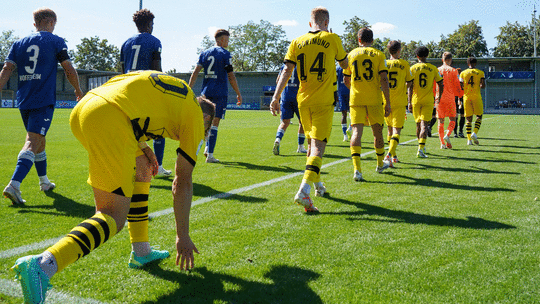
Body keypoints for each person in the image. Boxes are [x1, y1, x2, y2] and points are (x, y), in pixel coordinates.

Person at [11, 71, 215, 304]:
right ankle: (44, 265)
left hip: (86, 107)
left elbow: (130, 99)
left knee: (143, 168)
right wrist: (183, 236)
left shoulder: (177, 90)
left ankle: (141, 251)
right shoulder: (195, 119)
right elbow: (183, 182)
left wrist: (142, 147)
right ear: (206, 119)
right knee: (112, 215)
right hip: (110, 118)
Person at [0, 8, 83, 205]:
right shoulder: (55, 41)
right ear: (51, 22)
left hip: (24, 100)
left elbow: (6, 69)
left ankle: (44, 182)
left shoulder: (18, 43)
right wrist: (78, 90)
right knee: (32, 141)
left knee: (40, 140)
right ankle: (14, 184)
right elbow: (68, 68)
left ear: (35, 23)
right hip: (43, 99)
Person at [271, 6, 348, 212]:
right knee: (318, 148)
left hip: (303, 100)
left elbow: (287, 69)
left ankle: (318, 185)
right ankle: (303, 191)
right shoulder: (332, 38)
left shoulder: (297, 41)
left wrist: (276, 96)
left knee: (311, 143)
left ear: (309, 23)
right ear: (326, 23)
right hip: (324, 101)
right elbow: (345, 63)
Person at [120, 8, 171, 177]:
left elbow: (122, 70)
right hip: (146, 88)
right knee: (158, 128)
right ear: (149, 24)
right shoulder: (154, 41)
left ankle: (129, 166)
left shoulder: (126, 43)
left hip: (127, 89)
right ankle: (159, 166)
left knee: (131, 129)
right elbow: (156, 68)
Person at [343, 28, 391, 181]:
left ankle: (357, 170)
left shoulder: (350, 55)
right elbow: (384, 79)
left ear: (359, 40)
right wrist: (388, 102)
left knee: (356, 132)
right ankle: (379, 164)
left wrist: (357, 89)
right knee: (377, 133)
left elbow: (345, 80)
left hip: (356, 98)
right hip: (374, 98)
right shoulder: (379, 55)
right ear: (372, 40)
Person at [189, 29, 242, 163]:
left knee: (204, 123)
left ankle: (195, 152)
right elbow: (231, 76)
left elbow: (195, 72)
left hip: (206, 93)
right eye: (226, 40)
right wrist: (238, 93)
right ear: (219, 40)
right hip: (219, 93)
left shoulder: (204, 53)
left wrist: (189, 89)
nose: (227, 42)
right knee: (215, 124)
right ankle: (210, 154)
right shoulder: (225, 54)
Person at [408, 46, 443, 158]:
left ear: (417, 56)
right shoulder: (433, 68)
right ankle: (421, 148)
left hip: (415, 99)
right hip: (428, 100)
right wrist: (439, 96)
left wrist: (408, 102)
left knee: (418, 125)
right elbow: (441, 83)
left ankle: (421, 146)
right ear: (427, 55)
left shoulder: (412, 68)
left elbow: (409, 86)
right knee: (424, 125)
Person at [383, 40, 413, 167]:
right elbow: (410, 82)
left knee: (389, 130)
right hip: (399, 101)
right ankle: (389, 155)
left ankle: (393, 156)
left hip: (385, 101)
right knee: (397, 130)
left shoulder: (384, 63)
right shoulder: (404, 64)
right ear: (399, 50)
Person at [272, 65, 307, 155]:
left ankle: (277, 139)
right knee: (302, 122)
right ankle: (300, 146)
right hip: (298, 97)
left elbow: (277, 81)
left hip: (285, 97)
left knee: (284, 123)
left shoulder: (285, 66)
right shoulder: (301, 65)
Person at [435, 52, 462, 149]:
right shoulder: (454, 71)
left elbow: (434, 86)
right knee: (453, 119)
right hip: (450, 98)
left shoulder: (437, 70)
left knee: (440, 121)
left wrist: (435, 97)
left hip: (439, 98)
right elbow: (457, 86)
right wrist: (460, 96)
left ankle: (442, 143)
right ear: (450, 60)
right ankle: (448, 134)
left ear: (442, 59)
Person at [459, 57, 485, 145]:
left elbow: (461, 86)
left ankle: (469, 140)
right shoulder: (480, 73)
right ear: (476, 63)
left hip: (466, 97)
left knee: (468, 119)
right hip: (476, 96)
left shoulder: (463, 73)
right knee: (479, 116)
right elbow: (483, 86)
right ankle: (474, 133)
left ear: (467, 63)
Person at [336, 65, 351, 141]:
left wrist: (335, 93)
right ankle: (350, 129)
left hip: (341, 92)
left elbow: (335, 81)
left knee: (344, 114)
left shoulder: (338, 68)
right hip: (350, 91)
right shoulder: (350, 66)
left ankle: (345, 135)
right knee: (352, 113)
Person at [454, 68, 465, 138]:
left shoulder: (462, 79)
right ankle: (458, 132)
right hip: (457, 98)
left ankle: (458, 132)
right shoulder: (456, 80)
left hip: (460, 97)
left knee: (460, 115)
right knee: (459, 115)